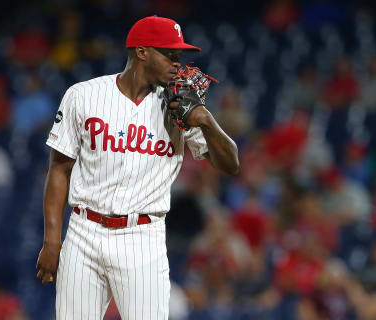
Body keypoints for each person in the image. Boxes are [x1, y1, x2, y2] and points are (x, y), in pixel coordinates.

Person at [35, 16, 239, 319]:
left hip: (141, 238)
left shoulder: (181, 107)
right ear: (141, 51)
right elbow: (60, 168)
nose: (176, 63)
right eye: (169, 54)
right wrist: (52, 239)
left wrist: (206, 120)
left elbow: (230, 164)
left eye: (178, 56)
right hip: (83, 231)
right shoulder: (83, 95)